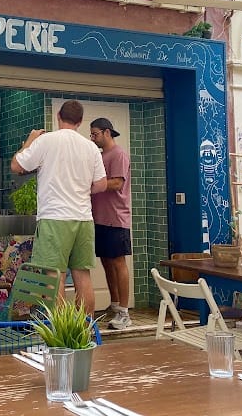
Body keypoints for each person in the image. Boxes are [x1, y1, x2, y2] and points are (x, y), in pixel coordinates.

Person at [11, 100, 107, 314]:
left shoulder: (46, 141)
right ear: (80, 122)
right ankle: (84, 331)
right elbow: (101, 184)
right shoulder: (90, 147)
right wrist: (80, 189)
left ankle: (60, 333)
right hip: (83, 219)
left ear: (58, 116)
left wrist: (29, 140)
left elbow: (17, 165)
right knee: (83, 276)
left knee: (55, 278)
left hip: (55, 219)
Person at [89, 117, 133, 330]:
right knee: (106, 261)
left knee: (118, 262)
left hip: (116, 218)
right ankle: (114, 305)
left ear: (107, 132)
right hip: (99, 217)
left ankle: (124, 312)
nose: (93, 138)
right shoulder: (100, 155)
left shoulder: (119, 154)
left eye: (95, 134)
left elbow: (117, 183)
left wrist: (93, 185)